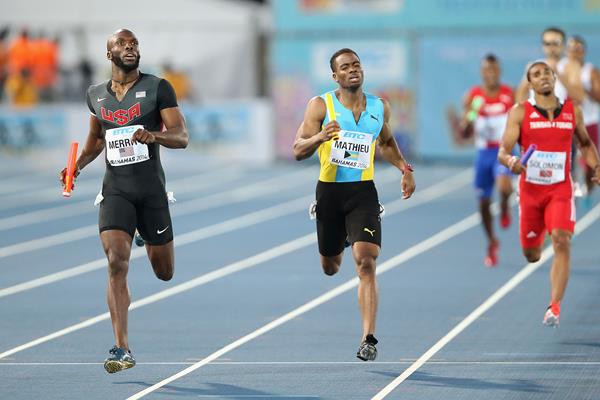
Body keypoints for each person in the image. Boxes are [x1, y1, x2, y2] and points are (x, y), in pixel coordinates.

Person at [59, 29, 188, 373]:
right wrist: (76, 167)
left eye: (134, 44)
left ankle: (146, 234)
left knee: (164, 272)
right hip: (115, 190)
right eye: (122, 44)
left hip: (150, 192)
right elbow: (94, 141)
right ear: (109, 54)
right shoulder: (96, 95)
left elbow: (182, 136)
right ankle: (121, 348)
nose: (130, 48)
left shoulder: (159, 87)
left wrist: (154, 134)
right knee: (117, 260)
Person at [292, 48, 415, 360]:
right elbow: (297, 149)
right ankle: (342, 236)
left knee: (366, 261)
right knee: (331, 267)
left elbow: (386, 142)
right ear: (335, 76)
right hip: (330, 194)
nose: (352, 70)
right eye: (345, 67)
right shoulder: (321, 105)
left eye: (356, 64)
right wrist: (320, 137)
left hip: (363, 192)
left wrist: (404, 168)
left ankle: (368, 338)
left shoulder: (378, 106)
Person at [498, 61, 600, 327]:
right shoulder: (520, 113)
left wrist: (597, 166)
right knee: (531, 255)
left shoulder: (572, 111)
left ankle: (554, 306)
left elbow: (586, 144)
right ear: (530, 83)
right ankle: (541, 231)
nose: (543, 77)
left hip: (560, 189)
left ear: (555, 78)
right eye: (536, 74)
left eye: (547, 73)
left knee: (562, 240)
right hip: (531, 192)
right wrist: (512, 162)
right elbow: (503, 151)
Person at [447, 54, 514, 267]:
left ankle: (504, 205)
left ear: (499, 71)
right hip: (483, 154)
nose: (491, 73)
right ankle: (492, 241)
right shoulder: (474, 97)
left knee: (504, 187)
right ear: (482, 72)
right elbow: (465, 132)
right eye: (487, 70)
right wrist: (466, 122)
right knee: (484, 203)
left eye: (494, 69)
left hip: (502, 152)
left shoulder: (508, 94)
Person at [559, 36, 600, 206]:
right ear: (566, 50)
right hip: (565, 121)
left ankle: (589, 189)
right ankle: (568, 193)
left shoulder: (590, 71)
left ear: (584, 51)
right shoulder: (559, 68)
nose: (575, 52)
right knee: (566, 160)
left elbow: (598, 97)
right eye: (572, 48)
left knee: (589, 163)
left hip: (587, 121)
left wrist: (582, 88)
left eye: (579, 48)